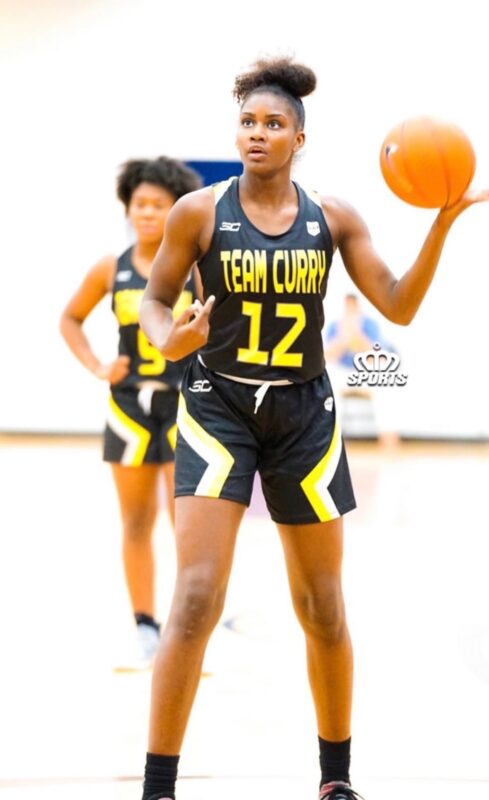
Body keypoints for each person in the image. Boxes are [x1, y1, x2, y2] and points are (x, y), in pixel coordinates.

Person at [137, 57, 489, 800]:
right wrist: (170, 339)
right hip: (217, 406)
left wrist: (440, 226)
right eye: (247, 122)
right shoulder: (198, 212)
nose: (256, 133)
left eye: (273, 124)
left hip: (304, 415)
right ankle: (158, 786)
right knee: (195, 598)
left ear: (299, 138)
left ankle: (335, 780)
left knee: (323, 607)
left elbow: (397, 305)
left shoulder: (333, 217)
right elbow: (155, 302)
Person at [59, 156, 202, 668]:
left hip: (186, 405)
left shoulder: (196, 267)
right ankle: (145, 627)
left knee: (188, 525)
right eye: (139, 204)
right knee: (136, 521)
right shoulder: (110, 267)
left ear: (176, 211)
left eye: (158, 205)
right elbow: (70, 319)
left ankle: (188, 628)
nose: (146, 213)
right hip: (128, 409)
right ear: (127, 208)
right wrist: (98, 365)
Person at [324, 293, 401, 449]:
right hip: (342, 374)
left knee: (384, 384)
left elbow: (378, 357)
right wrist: (343, 339)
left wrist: (358, 337)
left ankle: (388, 439)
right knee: (328, 383)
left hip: (364, 374)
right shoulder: (335, 326)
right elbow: (327, 357)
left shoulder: (370, 326)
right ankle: (330, 440)